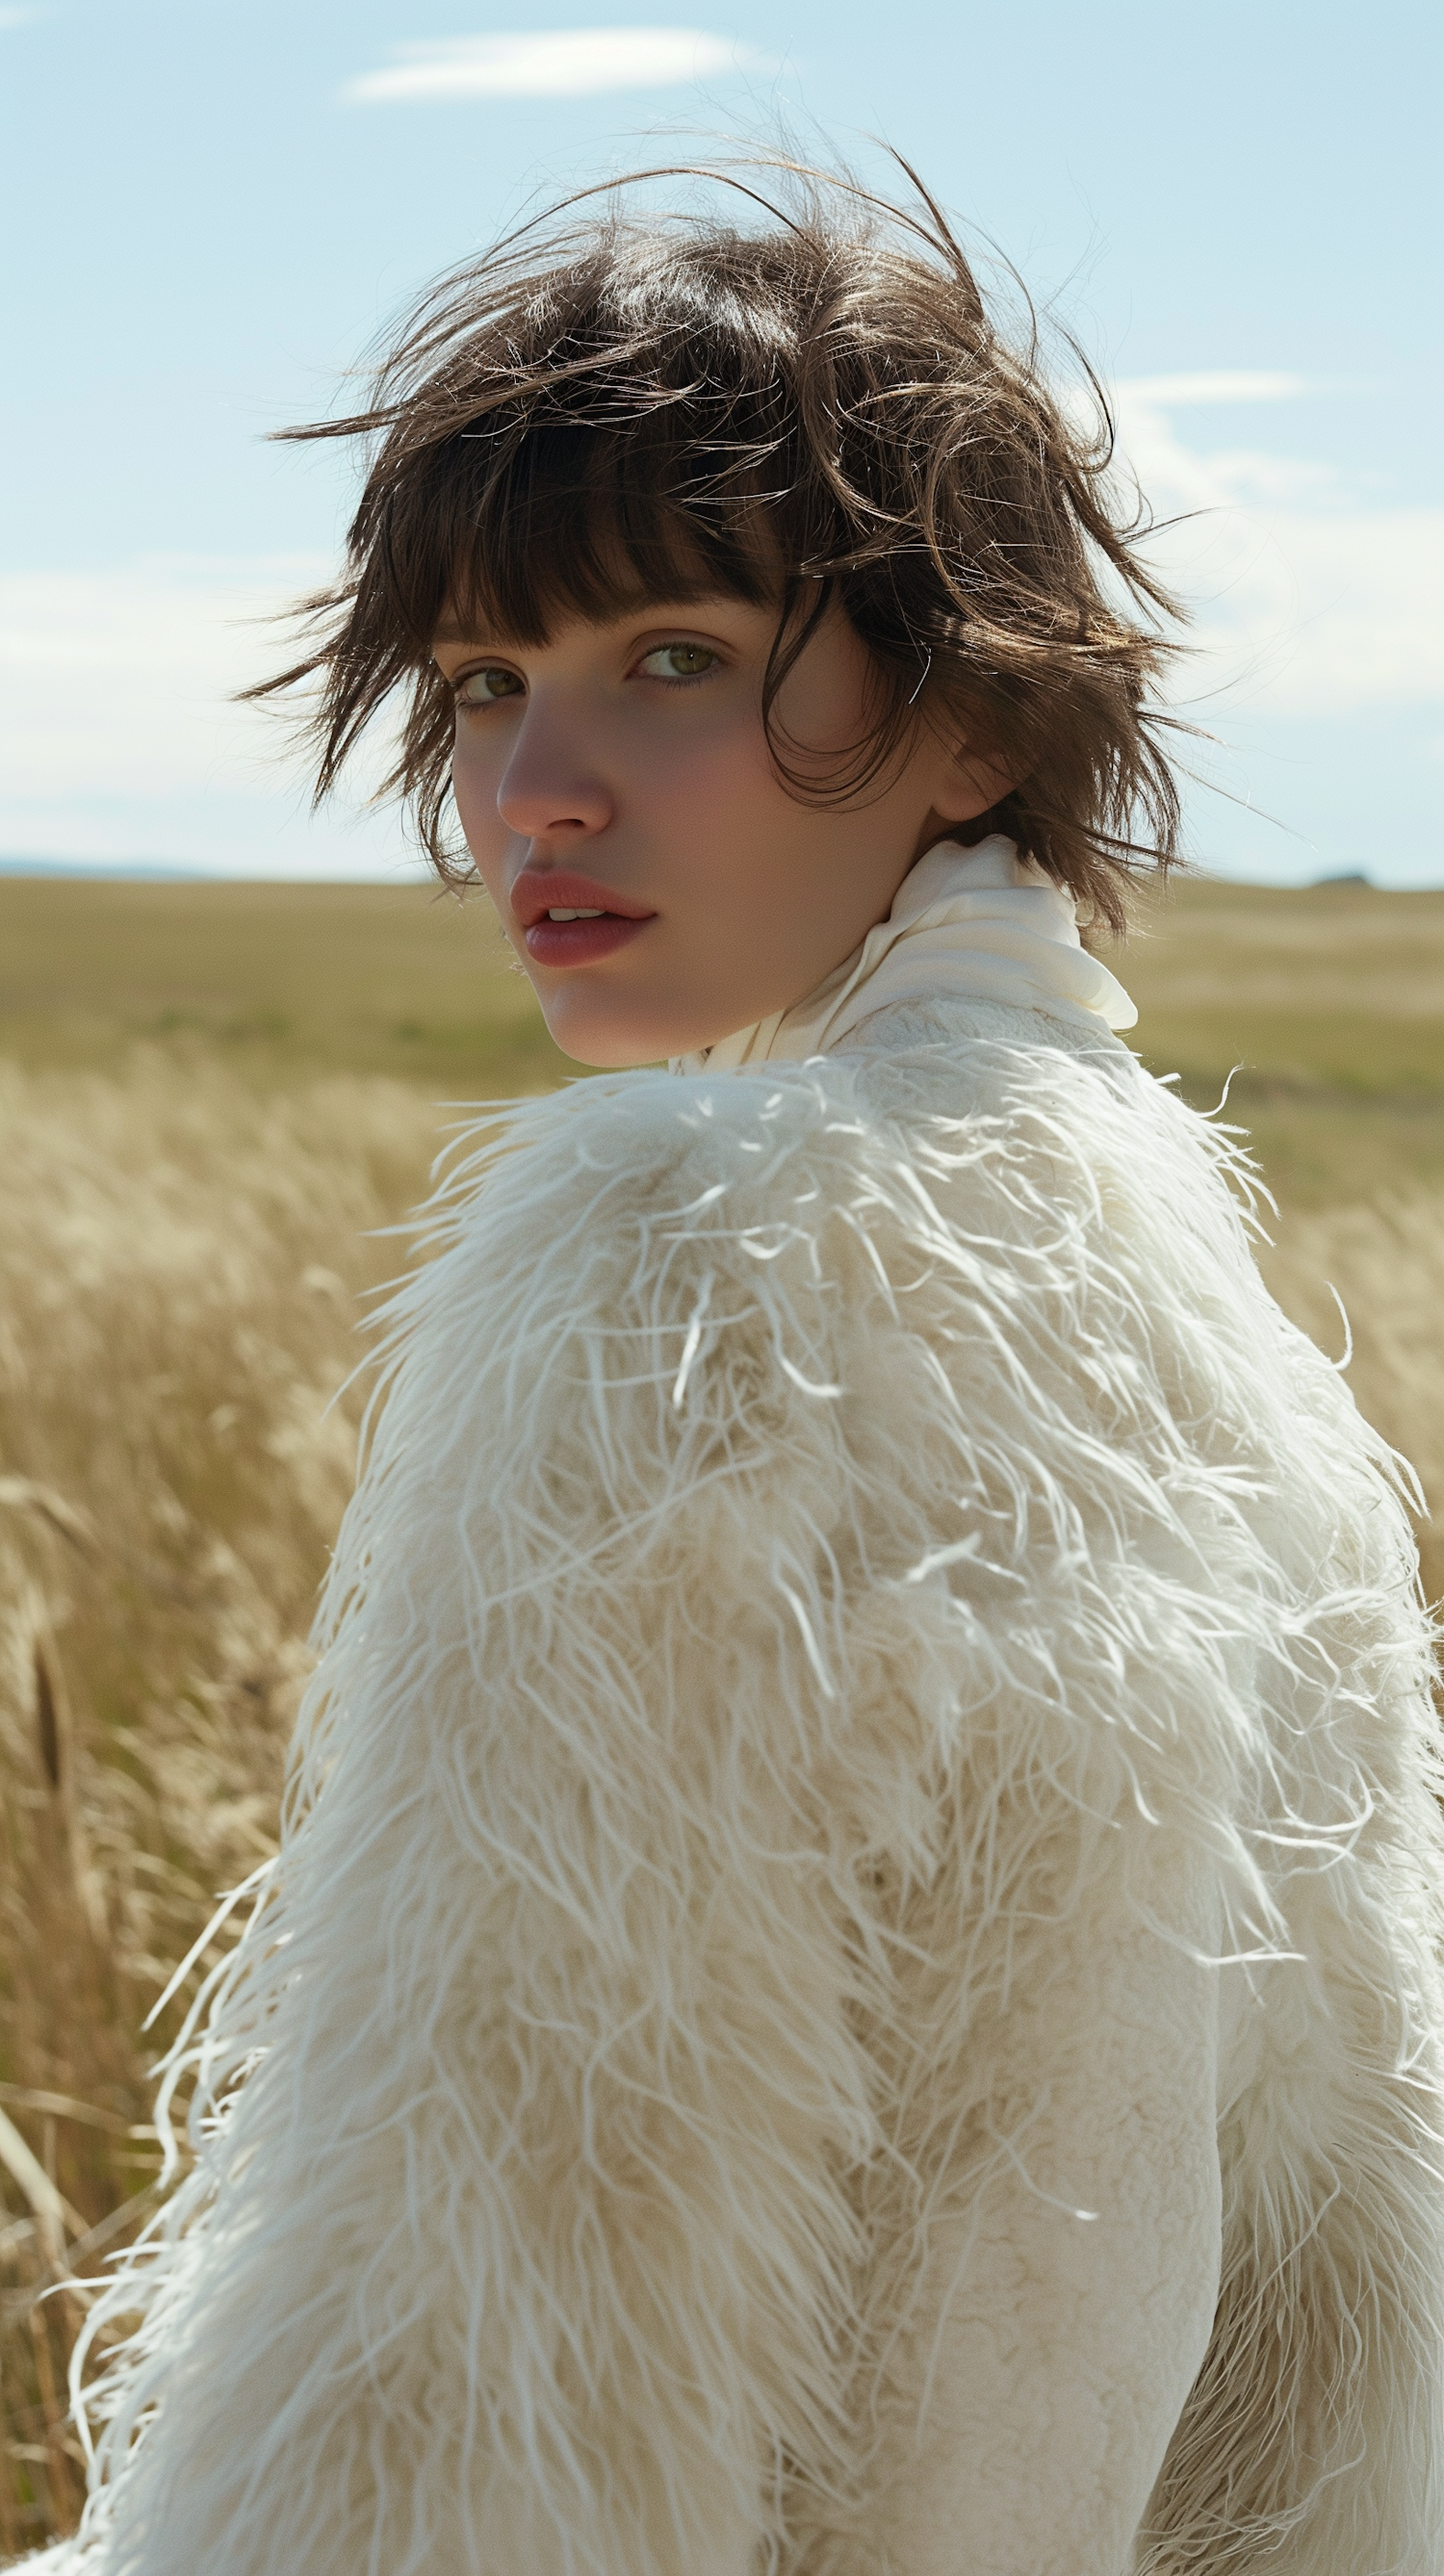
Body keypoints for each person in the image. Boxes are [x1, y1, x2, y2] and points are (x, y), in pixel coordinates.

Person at [38, 163, 1444, 2576]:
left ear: (974, 715)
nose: (529, 796)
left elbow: (475, 2381)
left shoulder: (704, 1268)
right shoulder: (1221, 1338)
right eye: (484, 685)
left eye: (670, 656)